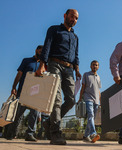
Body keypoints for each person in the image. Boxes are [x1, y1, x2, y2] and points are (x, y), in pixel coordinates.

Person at [35, 9, 81, 145]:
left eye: (76, 18)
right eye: (72, 16)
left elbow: (76, 55)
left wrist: (77, 69)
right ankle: (56, 132)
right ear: (65, 16)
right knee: (56, 98)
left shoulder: (75, 37)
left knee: (71, 100)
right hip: (54, 64)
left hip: (69, 69)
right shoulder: (54, 29)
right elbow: (47, 46)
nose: (74, 19)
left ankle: (48, 123)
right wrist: (42, 64)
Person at [6, 45, 43, 141]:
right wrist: (14, 87)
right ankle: (11, 133)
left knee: (34, 113)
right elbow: (19, 74)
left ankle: (30, 134)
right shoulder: (26, 60)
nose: (41, 52)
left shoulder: (44, 65)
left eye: (43, 51)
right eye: (40, 50)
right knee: (18, 114)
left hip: (36, 93)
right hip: (23, 91)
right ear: (36, 50)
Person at [78, 60, 101, 143]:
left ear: (98, 67)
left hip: (96, 101)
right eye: (93, 65)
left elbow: (98, 90)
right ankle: (93, 134)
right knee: (90, 115)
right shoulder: (86, 74)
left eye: (96, 65)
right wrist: (80, 98)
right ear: (90, 66)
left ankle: (85, 136)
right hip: (88, 99)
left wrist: (100, 102)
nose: (95, 66)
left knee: (91, 118)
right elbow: (83, 87)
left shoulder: (98, 77)